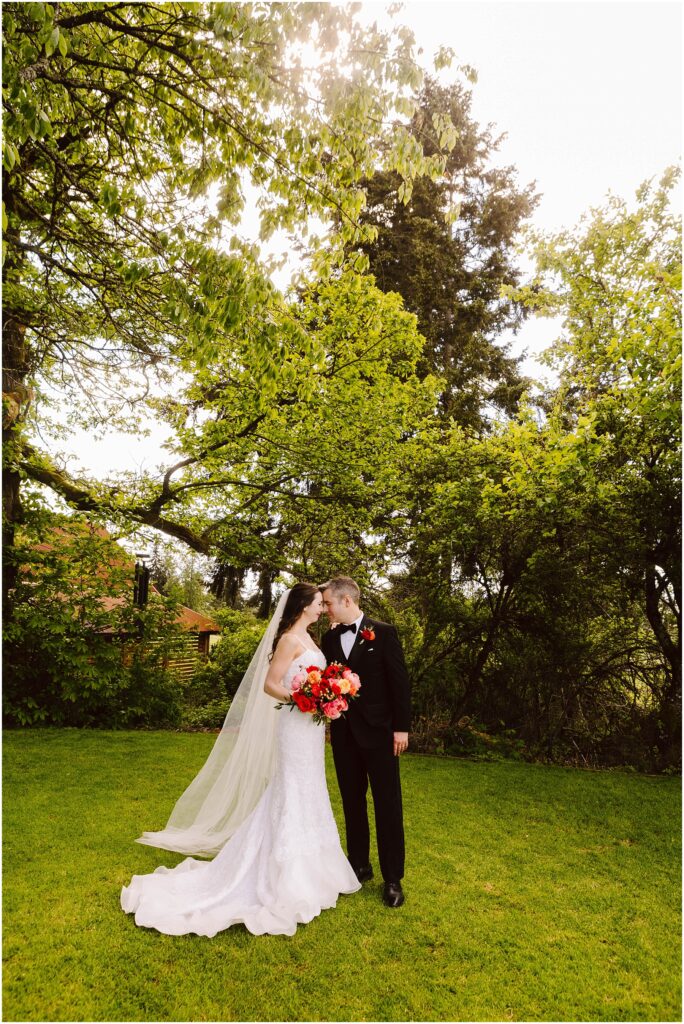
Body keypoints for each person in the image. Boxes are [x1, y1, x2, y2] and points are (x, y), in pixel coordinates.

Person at [121, 584, 360, 937]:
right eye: (316, 604)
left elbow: (317, 680)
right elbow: (270, 684)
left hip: (310, 730)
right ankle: (284, 876)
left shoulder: (311, 639)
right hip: (295, 724)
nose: (321, 609)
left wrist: (326, 695)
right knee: (290, 788)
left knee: (311, 787)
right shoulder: (289, 641)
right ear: (302, 606)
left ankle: (317, 871)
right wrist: (302, 698)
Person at [321, 576, 411, 908]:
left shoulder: (383, 632)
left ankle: (393, 879)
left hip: (381, 734)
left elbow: (399, 683)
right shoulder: (329, 638)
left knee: (388, 804)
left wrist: (401, 728)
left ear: (347, 601)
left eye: (329, 602)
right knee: (352, 802)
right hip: (344, 734)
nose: (326, 608)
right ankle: (359, 865)